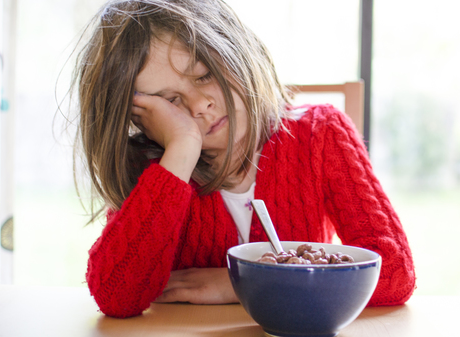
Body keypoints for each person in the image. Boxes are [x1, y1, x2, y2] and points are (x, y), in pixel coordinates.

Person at [72, 0, 416, 318]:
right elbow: (116, 295)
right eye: (171, 101)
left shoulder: (321, 134)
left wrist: (242, 282)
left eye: (204, 75)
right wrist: (181, 151)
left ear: (235, 50)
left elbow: (395, 273)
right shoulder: (154, 168)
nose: (199, 106)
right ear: (142, 118)